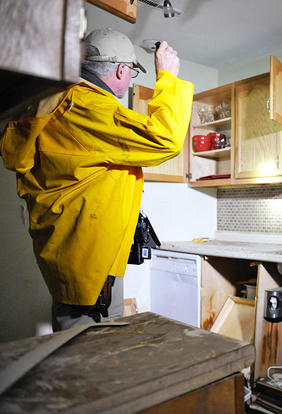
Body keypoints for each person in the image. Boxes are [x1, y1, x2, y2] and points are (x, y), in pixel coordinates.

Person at [0, 28, 194, 331]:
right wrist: (166, 77)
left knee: (78, 351)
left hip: (76, 262)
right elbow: (165, 139)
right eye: (131, 72)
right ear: (121, 69)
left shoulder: (55, 102)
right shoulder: (88, 106)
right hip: (88, 273)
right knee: (89, 361)